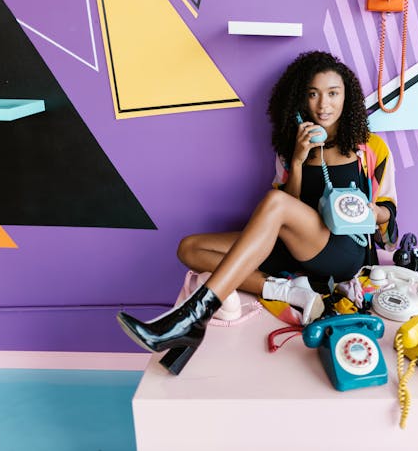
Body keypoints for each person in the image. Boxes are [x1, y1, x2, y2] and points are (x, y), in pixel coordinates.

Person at [117, 51, 398, 374]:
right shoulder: (291, 148)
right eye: (313, 94)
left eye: (333, 93)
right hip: (298, 248)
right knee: (190, 248)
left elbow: (389, 222)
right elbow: (286, 212)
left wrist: (365, 211)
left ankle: (192, 318)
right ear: (300, 99)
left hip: (342, 252)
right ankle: (289, 291)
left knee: (274, 203)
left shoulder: (370, 149)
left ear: (346, 98)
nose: (324, 105)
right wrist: (296, 160)